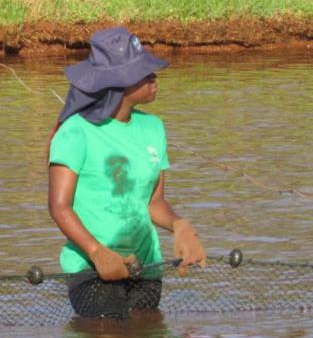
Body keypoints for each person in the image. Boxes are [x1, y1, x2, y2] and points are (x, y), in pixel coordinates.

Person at [47, 26, 206, 320]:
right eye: (143, 73)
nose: (154, 76)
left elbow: (153, 202)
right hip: (93, 268)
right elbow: (59, 207)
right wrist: (97, 252)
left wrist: (180, 226)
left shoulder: (154, 128)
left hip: (146, 266)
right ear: (118, 83)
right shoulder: (75, 133)